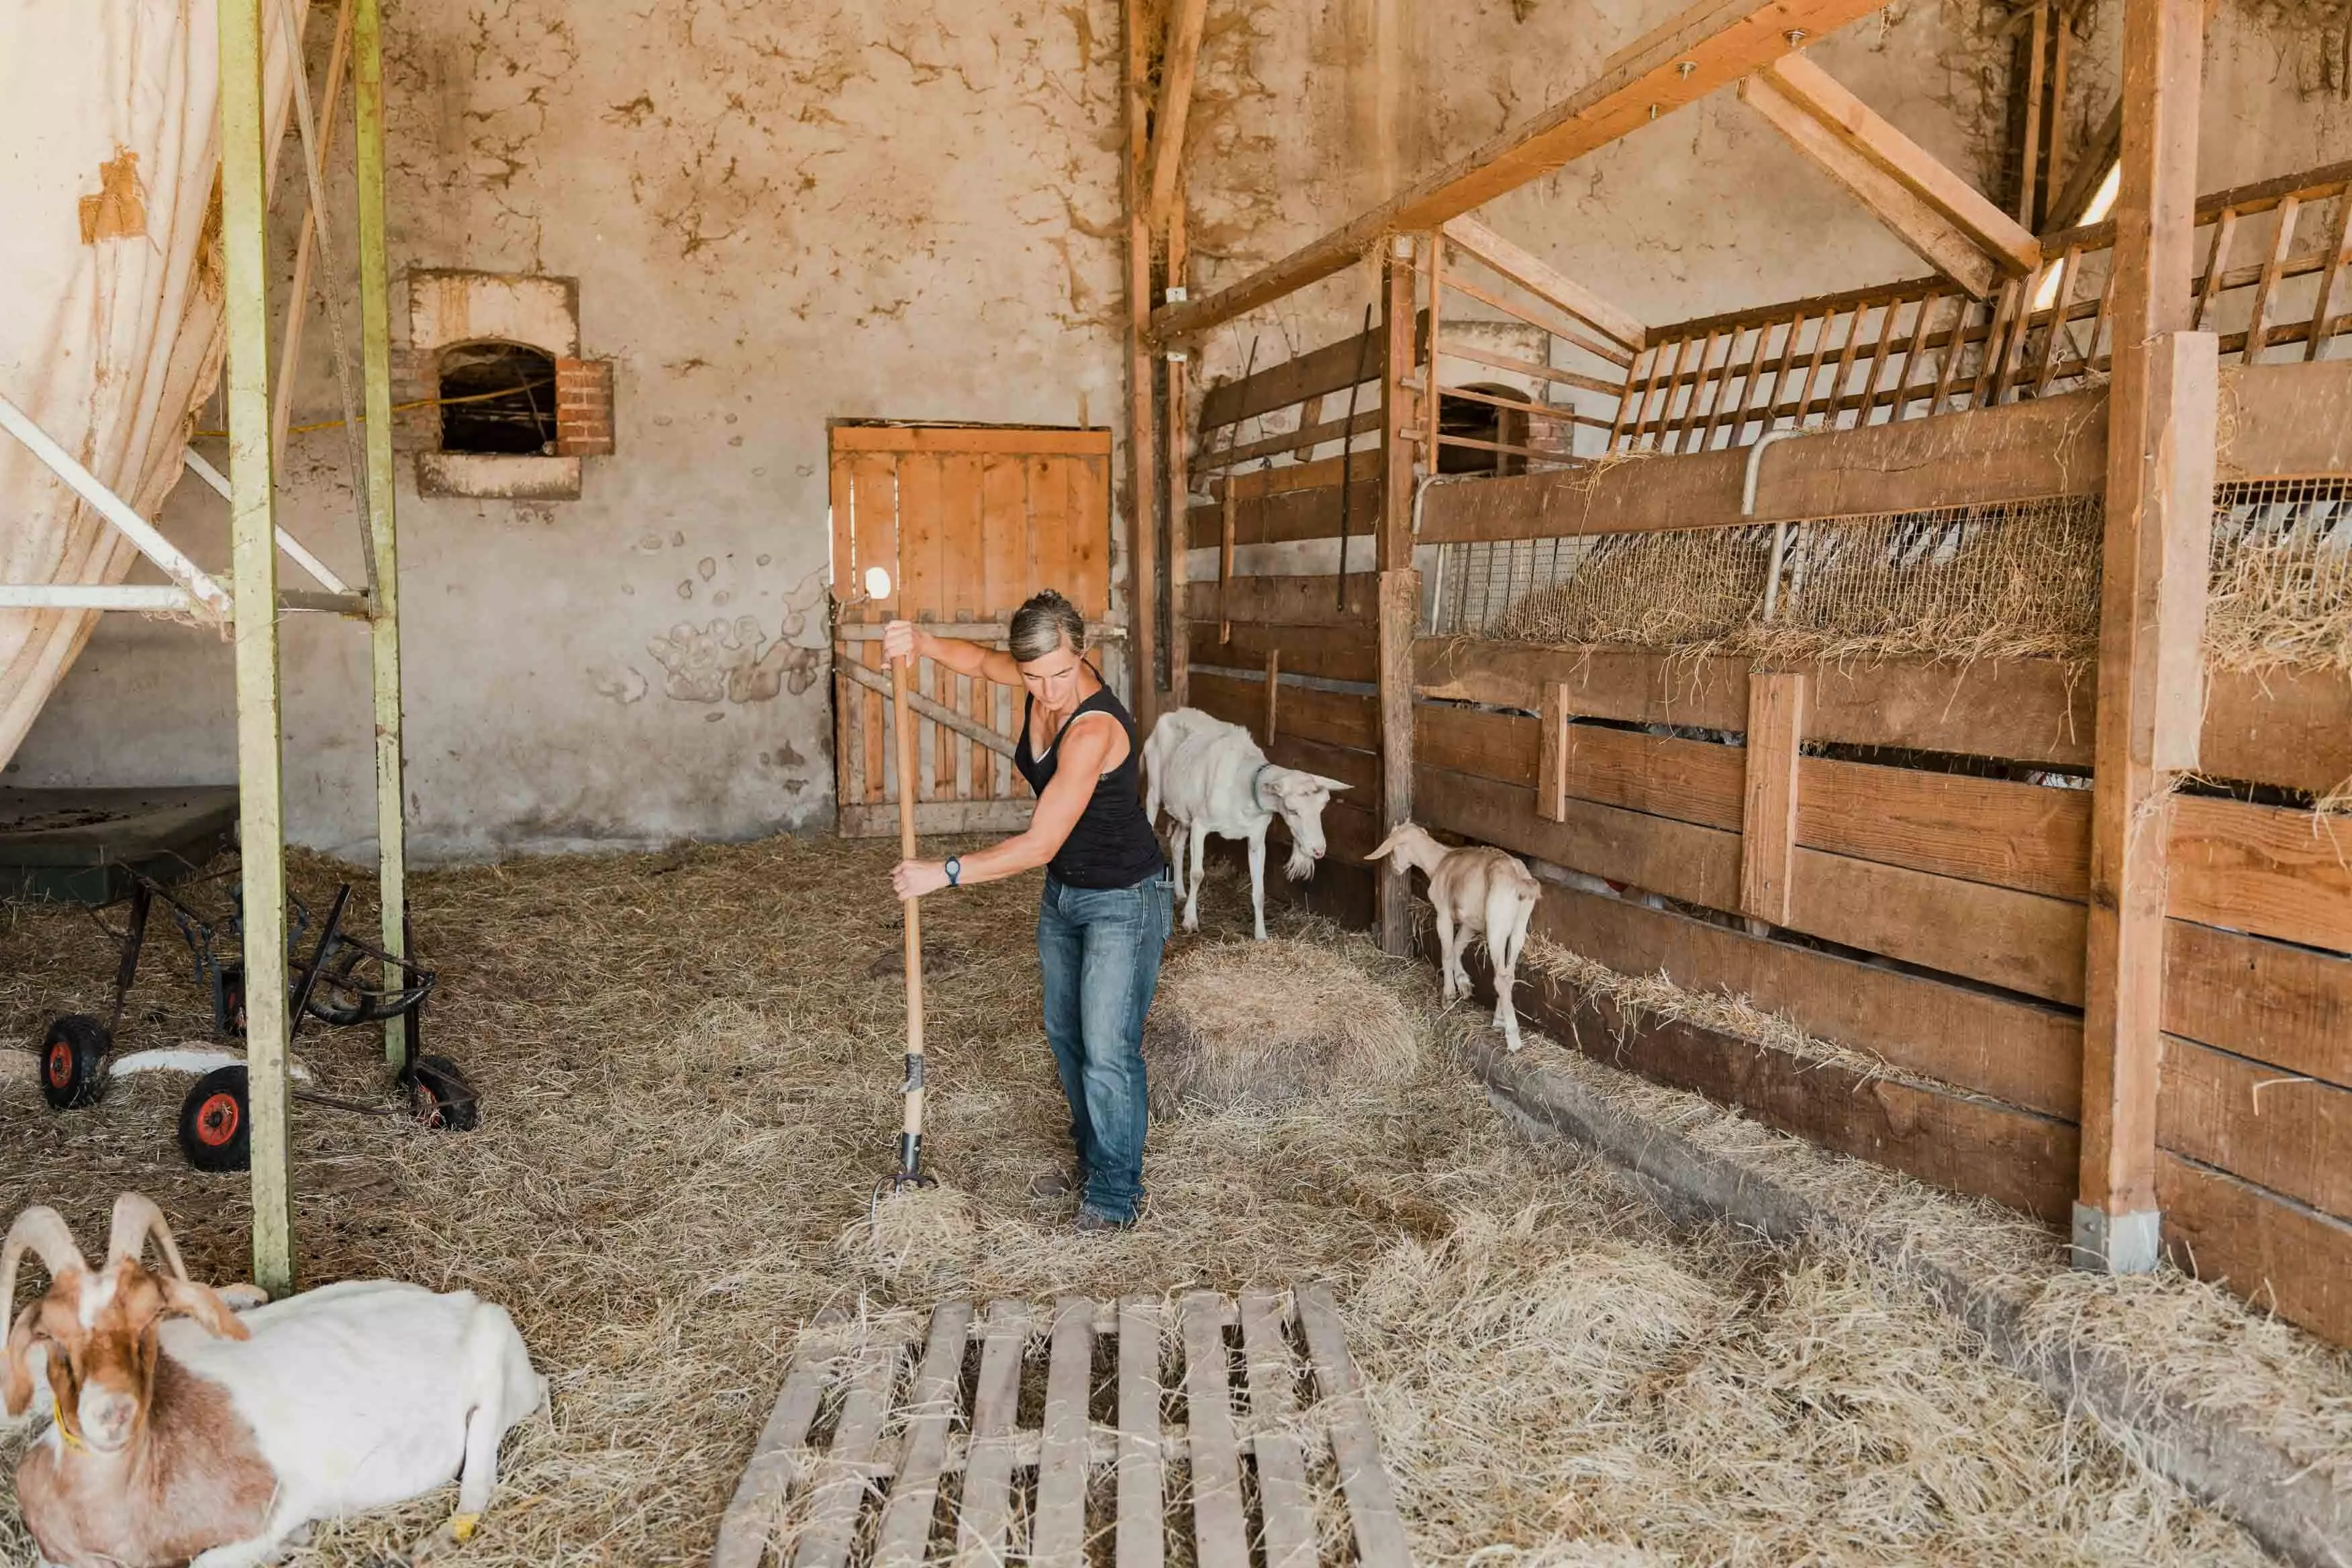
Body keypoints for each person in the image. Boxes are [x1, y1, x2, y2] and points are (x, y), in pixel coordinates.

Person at [885, 589, 1173, 1232]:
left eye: (1063, 673)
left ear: (1084, 653)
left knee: (1107, 1048)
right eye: (1036, 676)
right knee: (1067, 1036)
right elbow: (980, 663)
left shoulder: (1093, 728)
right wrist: (922, 643)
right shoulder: (1033, 676)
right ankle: (1095, 1156)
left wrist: (944, 873)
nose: (1048, 690)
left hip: (1124, 899)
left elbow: (1041, 841)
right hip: (1065, 894)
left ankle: (1115, 1197)